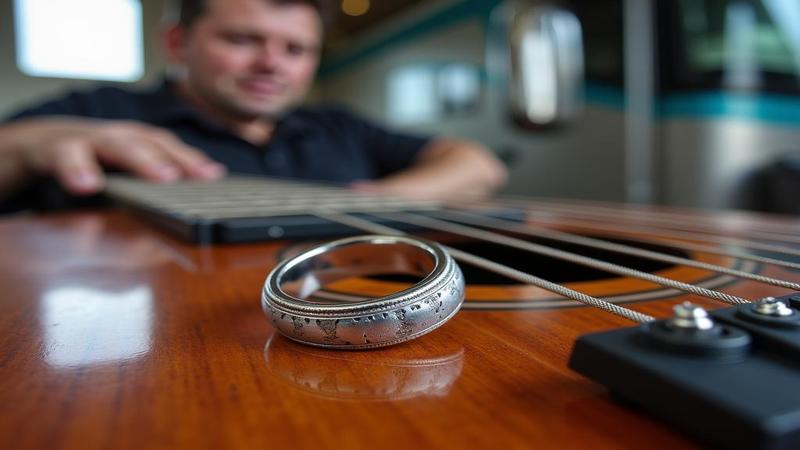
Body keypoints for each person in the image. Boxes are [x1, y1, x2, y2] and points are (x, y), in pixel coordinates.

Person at [0, 0, 506, 211]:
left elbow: (476, 164)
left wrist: (379, 200)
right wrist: (29, 146)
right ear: (178, 43)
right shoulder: (100, 108)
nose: (272, 64)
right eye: (243, 39)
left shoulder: (336, 124)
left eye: (296, 50)